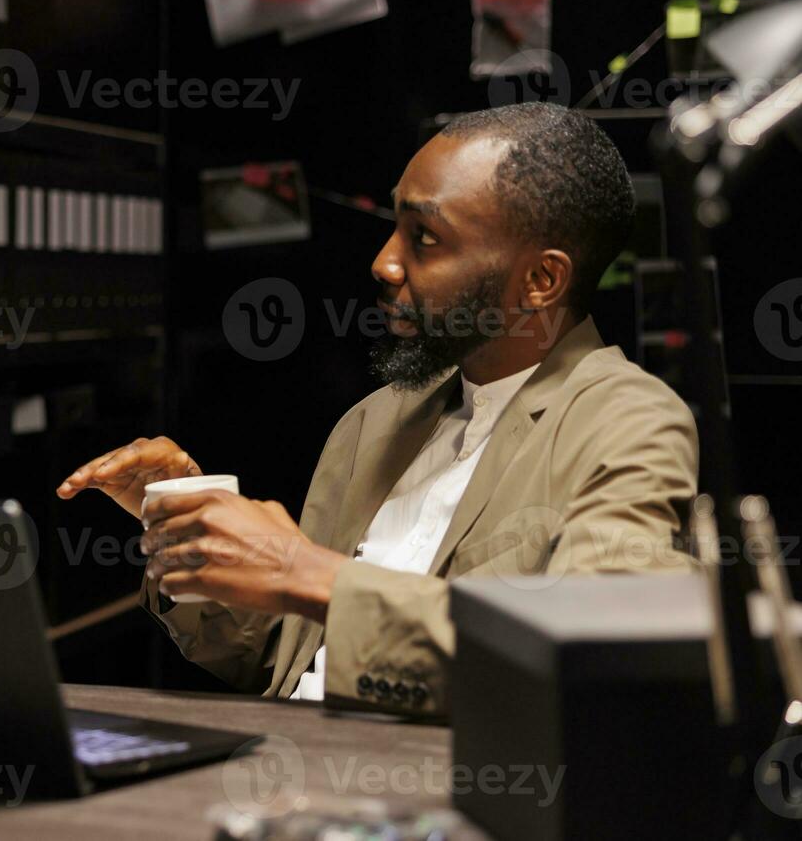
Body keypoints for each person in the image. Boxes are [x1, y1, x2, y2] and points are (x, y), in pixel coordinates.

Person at [58, 102, 698, 717]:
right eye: (395, 227)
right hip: (291, 772)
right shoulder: (379, 419)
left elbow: (596, 665)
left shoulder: (627, 421)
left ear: (541, 281)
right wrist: (191, 528)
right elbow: (280, 658)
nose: (384, 261)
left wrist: (308, 573)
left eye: (424, 238)